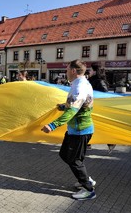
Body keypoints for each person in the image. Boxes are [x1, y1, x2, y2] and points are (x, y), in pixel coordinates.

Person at [41, 60, 96, 200]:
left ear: (73, 70)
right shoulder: (79, 84)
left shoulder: (80, 87)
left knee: (74, 160)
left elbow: (72, 110)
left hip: (80, 130)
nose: (66, 72)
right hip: (76, 130)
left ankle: (89, 189)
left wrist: (53, 125)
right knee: (66, 155)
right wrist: (63, 106)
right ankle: (85, 179)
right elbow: (76, 105)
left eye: (67, 70)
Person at [88, 63, 116, 154]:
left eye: (91, 69)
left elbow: (104, 94)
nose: (89, 71)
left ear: (95, 71)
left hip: (97, 107)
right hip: (91, 107)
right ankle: (88, 143)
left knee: (98, 126)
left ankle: (111, 142)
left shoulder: (99, 81)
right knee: (90, 125)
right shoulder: (91, 80)